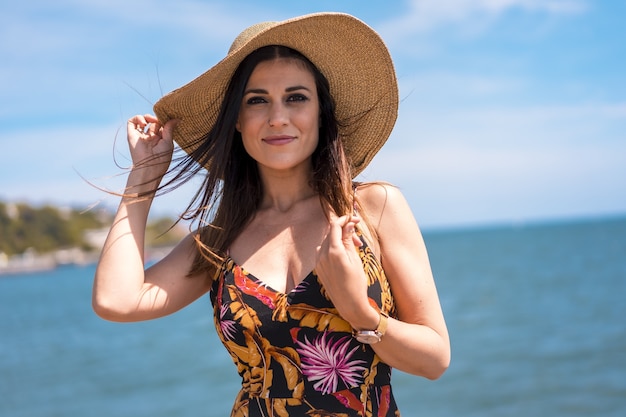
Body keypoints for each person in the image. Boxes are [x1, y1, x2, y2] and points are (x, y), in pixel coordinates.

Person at [92, 12, 450, 416]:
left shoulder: (373, 208)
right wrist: (143, 181)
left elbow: (434, 359)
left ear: (320, 113)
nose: (277, 116)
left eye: (296, 97)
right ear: (238, 122)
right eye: (256, 100)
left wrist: (361, 313)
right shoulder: (217, 242)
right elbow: (115, 300)